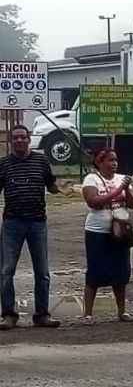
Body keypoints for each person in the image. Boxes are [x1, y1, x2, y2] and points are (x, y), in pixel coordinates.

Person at [0, 125, 68, 330]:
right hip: (12, 223)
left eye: (23, 137)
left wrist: (62, 189)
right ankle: (8, 315)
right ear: (11, 142)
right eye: (16, 138)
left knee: (42, 271)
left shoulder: (42, 161)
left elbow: (51, 186)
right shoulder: (3, 164)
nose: (20, 141)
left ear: (29, 139)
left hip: (37, 223)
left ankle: (42, 315)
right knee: (6, 271)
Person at [81, 148, 133, 325]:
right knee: (96, 271)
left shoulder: (122, 179)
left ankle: (122, 311)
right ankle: (88, 313)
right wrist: (118, 190)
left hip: (121, 231)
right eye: (110, 160)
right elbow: (94, 201)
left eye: (116, 160)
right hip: (98, 231)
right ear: (100, 162)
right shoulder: (91, 179)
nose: (114, 163)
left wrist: (126, 189)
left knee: (121, 272)